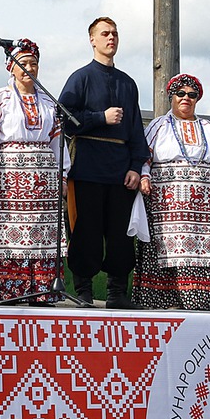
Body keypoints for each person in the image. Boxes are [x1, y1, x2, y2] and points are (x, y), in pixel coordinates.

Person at [58, 16, 148, 308]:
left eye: (115, 34)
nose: (111, 38)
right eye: (105, 33)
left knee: (121, 234)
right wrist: (100, 117)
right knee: (86, 230)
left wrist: (136, 166)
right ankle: (83, 289)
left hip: (120, 169)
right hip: (87, 167)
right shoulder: (80, 78)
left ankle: (116, 292)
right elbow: (64, 119)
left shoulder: (128, 83)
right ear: (92, 40)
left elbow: (136, 128)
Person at [0, 39, 65, 305]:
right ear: (10, 67)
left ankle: (42, 291)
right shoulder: (1, 97)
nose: (29, 68)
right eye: (23, 64)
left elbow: (58, 140)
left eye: (33, 64)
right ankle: (9, 292)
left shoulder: (48, 101)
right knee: (9, 233)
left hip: (43, 177)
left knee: (41, 234)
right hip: (9, 176)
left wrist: (63, 174)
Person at [133, 73, 210, 310]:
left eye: (192, 95)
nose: (186, 98)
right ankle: (166, 301)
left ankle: (204, 302)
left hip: (205, 211)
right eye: (180, 94)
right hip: (167, 206)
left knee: (204, 253)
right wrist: (145, 176)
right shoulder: (159, 126)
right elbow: (144, 156)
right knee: (167, 251)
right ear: (172, 97)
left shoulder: (209, 128)